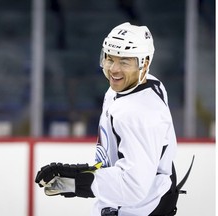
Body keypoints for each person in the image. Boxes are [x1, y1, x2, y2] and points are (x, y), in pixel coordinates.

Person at [35, 22, 193, 216]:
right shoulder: (136, 86)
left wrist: (75, 182)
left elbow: (134, 185)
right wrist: (77, 172)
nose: (114, 69)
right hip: (124, 205)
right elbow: (123, 158)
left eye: (125, 62)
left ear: (144, 63)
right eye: (109, 59)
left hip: (139, 210)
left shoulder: (139, 113)